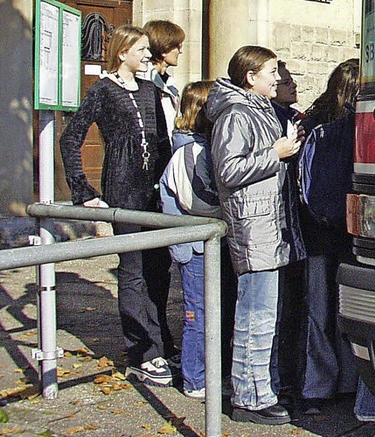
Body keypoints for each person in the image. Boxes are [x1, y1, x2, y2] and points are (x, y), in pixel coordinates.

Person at [298, 58, 375, 423]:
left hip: (317, 229)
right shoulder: (364, 123)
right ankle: (357, 384)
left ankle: (316, 388)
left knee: (318, 312)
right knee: (355, 311)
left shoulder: (312, 121)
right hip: (354, 229)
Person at [59, 25, 174, 387]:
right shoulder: (103, 90)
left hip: (154, 195)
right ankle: (142, 351)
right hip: (124, 193)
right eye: (140, 49)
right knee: (133, 271)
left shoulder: (151, 90)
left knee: (159, 270)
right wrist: (83, 190)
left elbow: (163, 144)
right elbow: (70, 139)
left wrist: (171, 190)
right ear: (122, 52)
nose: (146, 55)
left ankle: (161, 341)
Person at [206, 45, 305, 426]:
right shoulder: (235, 114)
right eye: (271, 71)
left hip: (270, 225)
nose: (278, 77)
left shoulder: (259, 111)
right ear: (250, 77)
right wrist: (276, 153)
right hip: (254, 225)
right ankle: (249, 398)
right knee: (254, 316)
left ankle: (265, 390)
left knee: (267, 316)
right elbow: (228, 171)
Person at [159, 80, 237, 398]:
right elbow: (198, 199)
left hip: (212, 244)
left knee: (217, 311)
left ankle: (213, 372)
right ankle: (195, 378)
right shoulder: (188, 152)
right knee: (197, 314)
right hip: (193, 247)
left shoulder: (203, 148)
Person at [269, 61, 306, 400]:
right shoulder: (271, 119)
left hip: (293, 224)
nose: (293, 86)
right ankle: (281, 377)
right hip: (275, 224)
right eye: (285, 81)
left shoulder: (295, 117)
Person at [143, 20, 185, 138]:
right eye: (177, 46)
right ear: (164, 50)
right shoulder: (144, 81)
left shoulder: (170, 83)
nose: (180, 51)